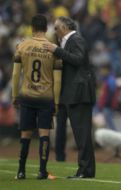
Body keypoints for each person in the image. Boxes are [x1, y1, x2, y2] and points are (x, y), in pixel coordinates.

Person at [43, 16, 96, 178]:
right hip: (72, 94)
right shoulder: (68, 41)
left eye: (57, 27)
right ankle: (85, 170)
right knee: (80, 134)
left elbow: (78, 59)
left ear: (65, 27)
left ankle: (85, 170)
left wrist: (56, 50)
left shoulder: (76, 38)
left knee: (82, 134)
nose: (55, 30)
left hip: (79, 94)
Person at [12, 14, 62, 180]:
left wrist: (15, 95)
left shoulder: (22, 46)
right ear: (46, 28)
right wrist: (56, 101)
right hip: (45, 98)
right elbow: (57, 79)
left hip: (26, 95)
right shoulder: (52, 48)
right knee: (44, 134)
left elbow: (15, 74)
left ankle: (20, 171)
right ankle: (42, 171)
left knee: (25, 135)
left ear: (32, 28)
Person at [97, 63, 119, 131]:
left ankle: (116, 139)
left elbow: (111, 93)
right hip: (106, 106)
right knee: (108, 125)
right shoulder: (107, 79)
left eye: (102, 70)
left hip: (108, 107)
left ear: (106, 70)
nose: (100, 72)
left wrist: (106, 104)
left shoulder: (110, 79)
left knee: (110, 125)